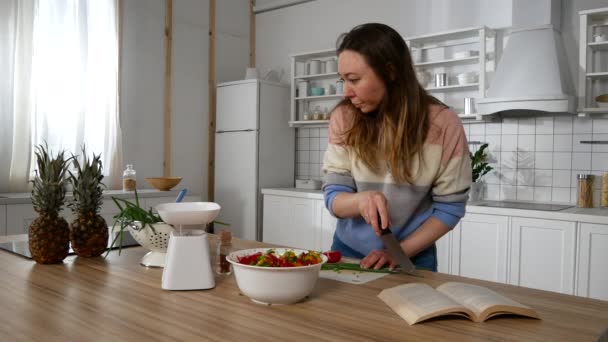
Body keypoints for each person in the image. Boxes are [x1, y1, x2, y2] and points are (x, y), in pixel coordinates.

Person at [322, 23, 471, 272]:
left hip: (412, 257)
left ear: (390, 72)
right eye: (343, 80)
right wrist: (360, 201)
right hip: (347, 253)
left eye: (354, 80)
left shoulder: (444, 124)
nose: (346, 92)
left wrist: (399, 252)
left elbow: (450, 207)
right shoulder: (344, 118)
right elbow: (333, 197)